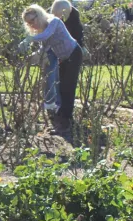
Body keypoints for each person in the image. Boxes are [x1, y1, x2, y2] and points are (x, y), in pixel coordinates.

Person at [20, 4, 83, 140]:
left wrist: (29, 39)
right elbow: (45, 49)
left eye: (32, 20)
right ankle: (63, 122)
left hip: (73, 54)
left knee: (68, 89)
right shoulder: (43, 30)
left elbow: (46, 35)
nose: (31, 25)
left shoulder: (54, 22)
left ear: (39, 15)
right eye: (28, 23)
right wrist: (30, 58)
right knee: (60, 89)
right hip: (64, 58)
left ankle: (66, 125)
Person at [42, 0, 87, 113]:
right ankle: (56, 107)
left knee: (69, 84)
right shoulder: (48, 16)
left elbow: (78, 36)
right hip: (55, 52)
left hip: (71, 52)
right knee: (55, 81)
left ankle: (66, 113)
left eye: (61, 16)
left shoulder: (74, 16)